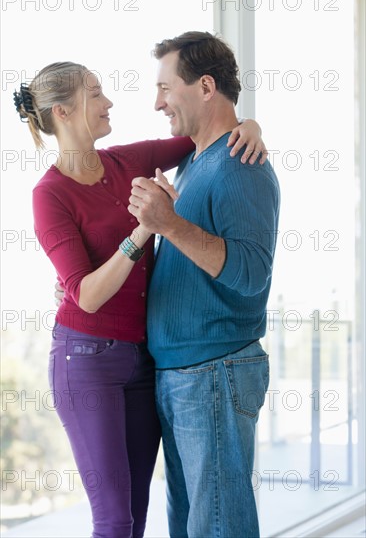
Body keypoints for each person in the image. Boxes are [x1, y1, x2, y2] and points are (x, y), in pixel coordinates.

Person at [13, 60, 266, 538]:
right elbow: (85, 295)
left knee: (137, 511)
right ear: (64, 112)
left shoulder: (127, 161)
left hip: (144, 357)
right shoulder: (50, 195)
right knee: (113, 519)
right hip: (86, 358)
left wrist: (250, 126)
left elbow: (204, 131)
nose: (109, 102)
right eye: (95, 94)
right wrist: (143, 232)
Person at [128, 31, 280, 538]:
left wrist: (170, 225)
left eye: (165, 88)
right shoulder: (196, 161)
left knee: (217, 528)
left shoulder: (243, 165)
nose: (157, 103)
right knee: (193, 525)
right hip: (184, 374)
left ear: (206, 86)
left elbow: (251, 274)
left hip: (214, 371)